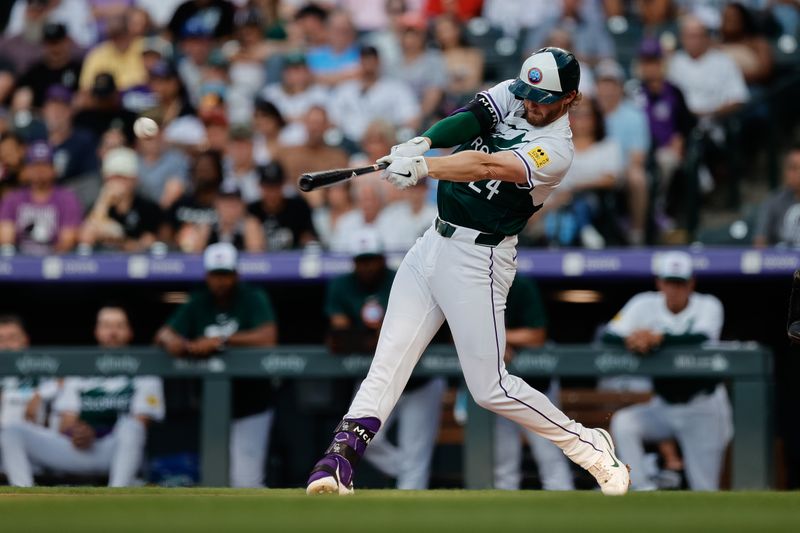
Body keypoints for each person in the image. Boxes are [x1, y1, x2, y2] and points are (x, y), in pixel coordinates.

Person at [306, 47, 630, 497]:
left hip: (481, 258)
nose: (531, 103)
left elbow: (486, 164)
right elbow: (470, 118)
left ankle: (589, 446)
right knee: (388, 361)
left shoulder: (557, 151)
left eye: (543, 98)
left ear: (571, 98)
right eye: (528, 93)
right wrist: (423, 140)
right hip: (432, 244)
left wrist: (424, 166)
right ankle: (338, 461)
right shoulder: (517, 95)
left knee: (490, 388)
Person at [326, 228, 446, 490]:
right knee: (368, 441)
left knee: (416, 452)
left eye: (371, 259)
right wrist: (378, 335)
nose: (367, 266)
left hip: (420, 382)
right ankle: (408, 470)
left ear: (382, 259)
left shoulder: (402, 278)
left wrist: (368, 337)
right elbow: (339, 338)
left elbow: (414, 331)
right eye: (361, 261)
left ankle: (408, 508)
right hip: (378, 377)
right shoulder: (342, 285)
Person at [156, 242, 278, 488]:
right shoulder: (198, 301)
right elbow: (163, 334)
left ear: (236, 274)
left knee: (245, 481)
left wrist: (221, 340)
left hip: (252, 403)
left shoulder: (252, 297)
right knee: (215, 478)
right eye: (216, 275)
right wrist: (175, 342)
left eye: (226, 275)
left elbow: (268, 337)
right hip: (212, 406)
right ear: (207, 276)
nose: (221, 281)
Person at [0, 305, 166, 487]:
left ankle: (118, 494)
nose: (112, 332)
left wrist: (97, 432)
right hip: (78, 449)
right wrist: (77, 432)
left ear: (130, 331)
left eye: (119, 326)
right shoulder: (80, 369)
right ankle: (25, 493)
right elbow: (66, 422)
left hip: (112, 449)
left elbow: (140, 422)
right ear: (96, 331)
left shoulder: (146, 372)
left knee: (131, 428)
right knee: (12, 432)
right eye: (106, 326)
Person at [605, 251, 729, 491]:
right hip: (664, 405)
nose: (674, 289)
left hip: (702, 406)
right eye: (669, 282)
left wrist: (658, 338)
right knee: (625, 423)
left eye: (680, 283)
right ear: (659, 282)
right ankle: (642, 489)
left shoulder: (709, 305)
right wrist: (634, 340)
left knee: (704, 488)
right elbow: (610, 335)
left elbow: (701, 338)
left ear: (691, 283)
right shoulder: (644, 303)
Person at [494, 275, 574, 491]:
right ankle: (501, 522)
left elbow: (536, 335)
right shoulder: (474, 284)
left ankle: (569, 519)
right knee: (503, 466)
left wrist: (497, 339)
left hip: (536, 387)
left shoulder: (521, 285)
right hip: (499, 389)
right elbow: (461, 334)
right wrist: (494, 343)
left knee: (550, 458)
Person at [594, 59, 650, 245]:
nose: (607, 90)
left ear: (620, 87)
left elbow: (637, 158)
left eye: (612, 84)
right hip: (588, 165)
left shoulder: (634, 115)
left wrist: (614, 171)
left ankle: (637, 232)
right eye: (603, 83)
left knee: (638, 177)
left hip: (621, 170)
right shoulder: (587, 113)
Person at [0, 141, 82, 255]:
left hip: (56, 260)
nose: (39, 170)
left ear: (54, 169)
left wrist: (43, 264)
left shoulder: (67, 198)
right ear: (27, 169)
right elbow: (5, 238)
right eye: (35, 165)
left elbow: (67, 240)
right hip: (19, 259)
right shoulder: (13, 199)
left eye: (45, 165)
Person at [327, 45, 420, 144]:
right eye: (365, 61)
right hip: (351, 143)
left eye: (371, 61)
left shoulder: (396, 88)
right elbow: (333, 117)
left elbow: (411, 115)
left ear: (378, 62)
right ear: (360, 63)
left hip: (386, 143)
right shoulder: (345, 89)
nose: (368, 65)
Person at [79, 146, 164, 252]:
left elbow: (149, 242)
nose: (117, 183)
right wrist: (104, 201)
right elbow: (86, 237)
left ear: (134, 180)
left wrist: (120, 239)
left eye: (123, 177)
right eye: (113, 178)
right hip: (102, 264)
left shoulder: (147, 207)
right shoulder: (97, 205)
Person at [246, 162, 316, 250]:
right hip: (262, 260)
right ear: (260, 186)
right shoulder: (252, 209)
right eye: (268, 187)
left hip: (292, 259)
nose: (272, 193)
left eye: (276, 187)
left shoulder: (299, 207)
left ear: (283, 185)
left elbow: (309, 238)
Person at [15, 22, 83, 108]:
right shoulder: (35, 71)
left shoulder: (78, 69)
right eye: (50, 43)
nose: (54, 48)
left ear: (67, 41)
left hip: (69, 116)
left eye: (58, 42)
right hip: (39, 118)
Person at [752, 146, 800, 247]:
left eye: (796, 168)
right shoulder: (774, 200)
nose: (794, 174)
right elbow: (760, 240)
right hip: (780, 260)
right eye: (790, 168)